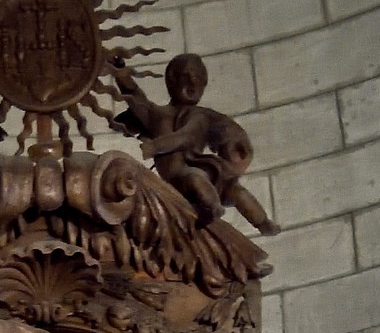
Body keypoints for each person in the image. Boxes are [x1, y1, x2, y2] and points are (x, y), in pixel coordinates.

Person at [111, 52, 277, 235]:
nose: (192, 83)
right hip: (178, 177)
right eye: (186, 76)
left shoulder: (200, 116)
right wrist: (120, 72)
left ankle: (261, 222)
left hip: (201, 171)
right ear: (172, 81)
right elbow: (134, 95)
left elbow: (186, 136)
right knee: (194, 178)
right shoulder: (156, 115)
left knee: (235, 191)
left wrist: (156, 146)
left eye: (198, 78)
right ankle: (212, 206)